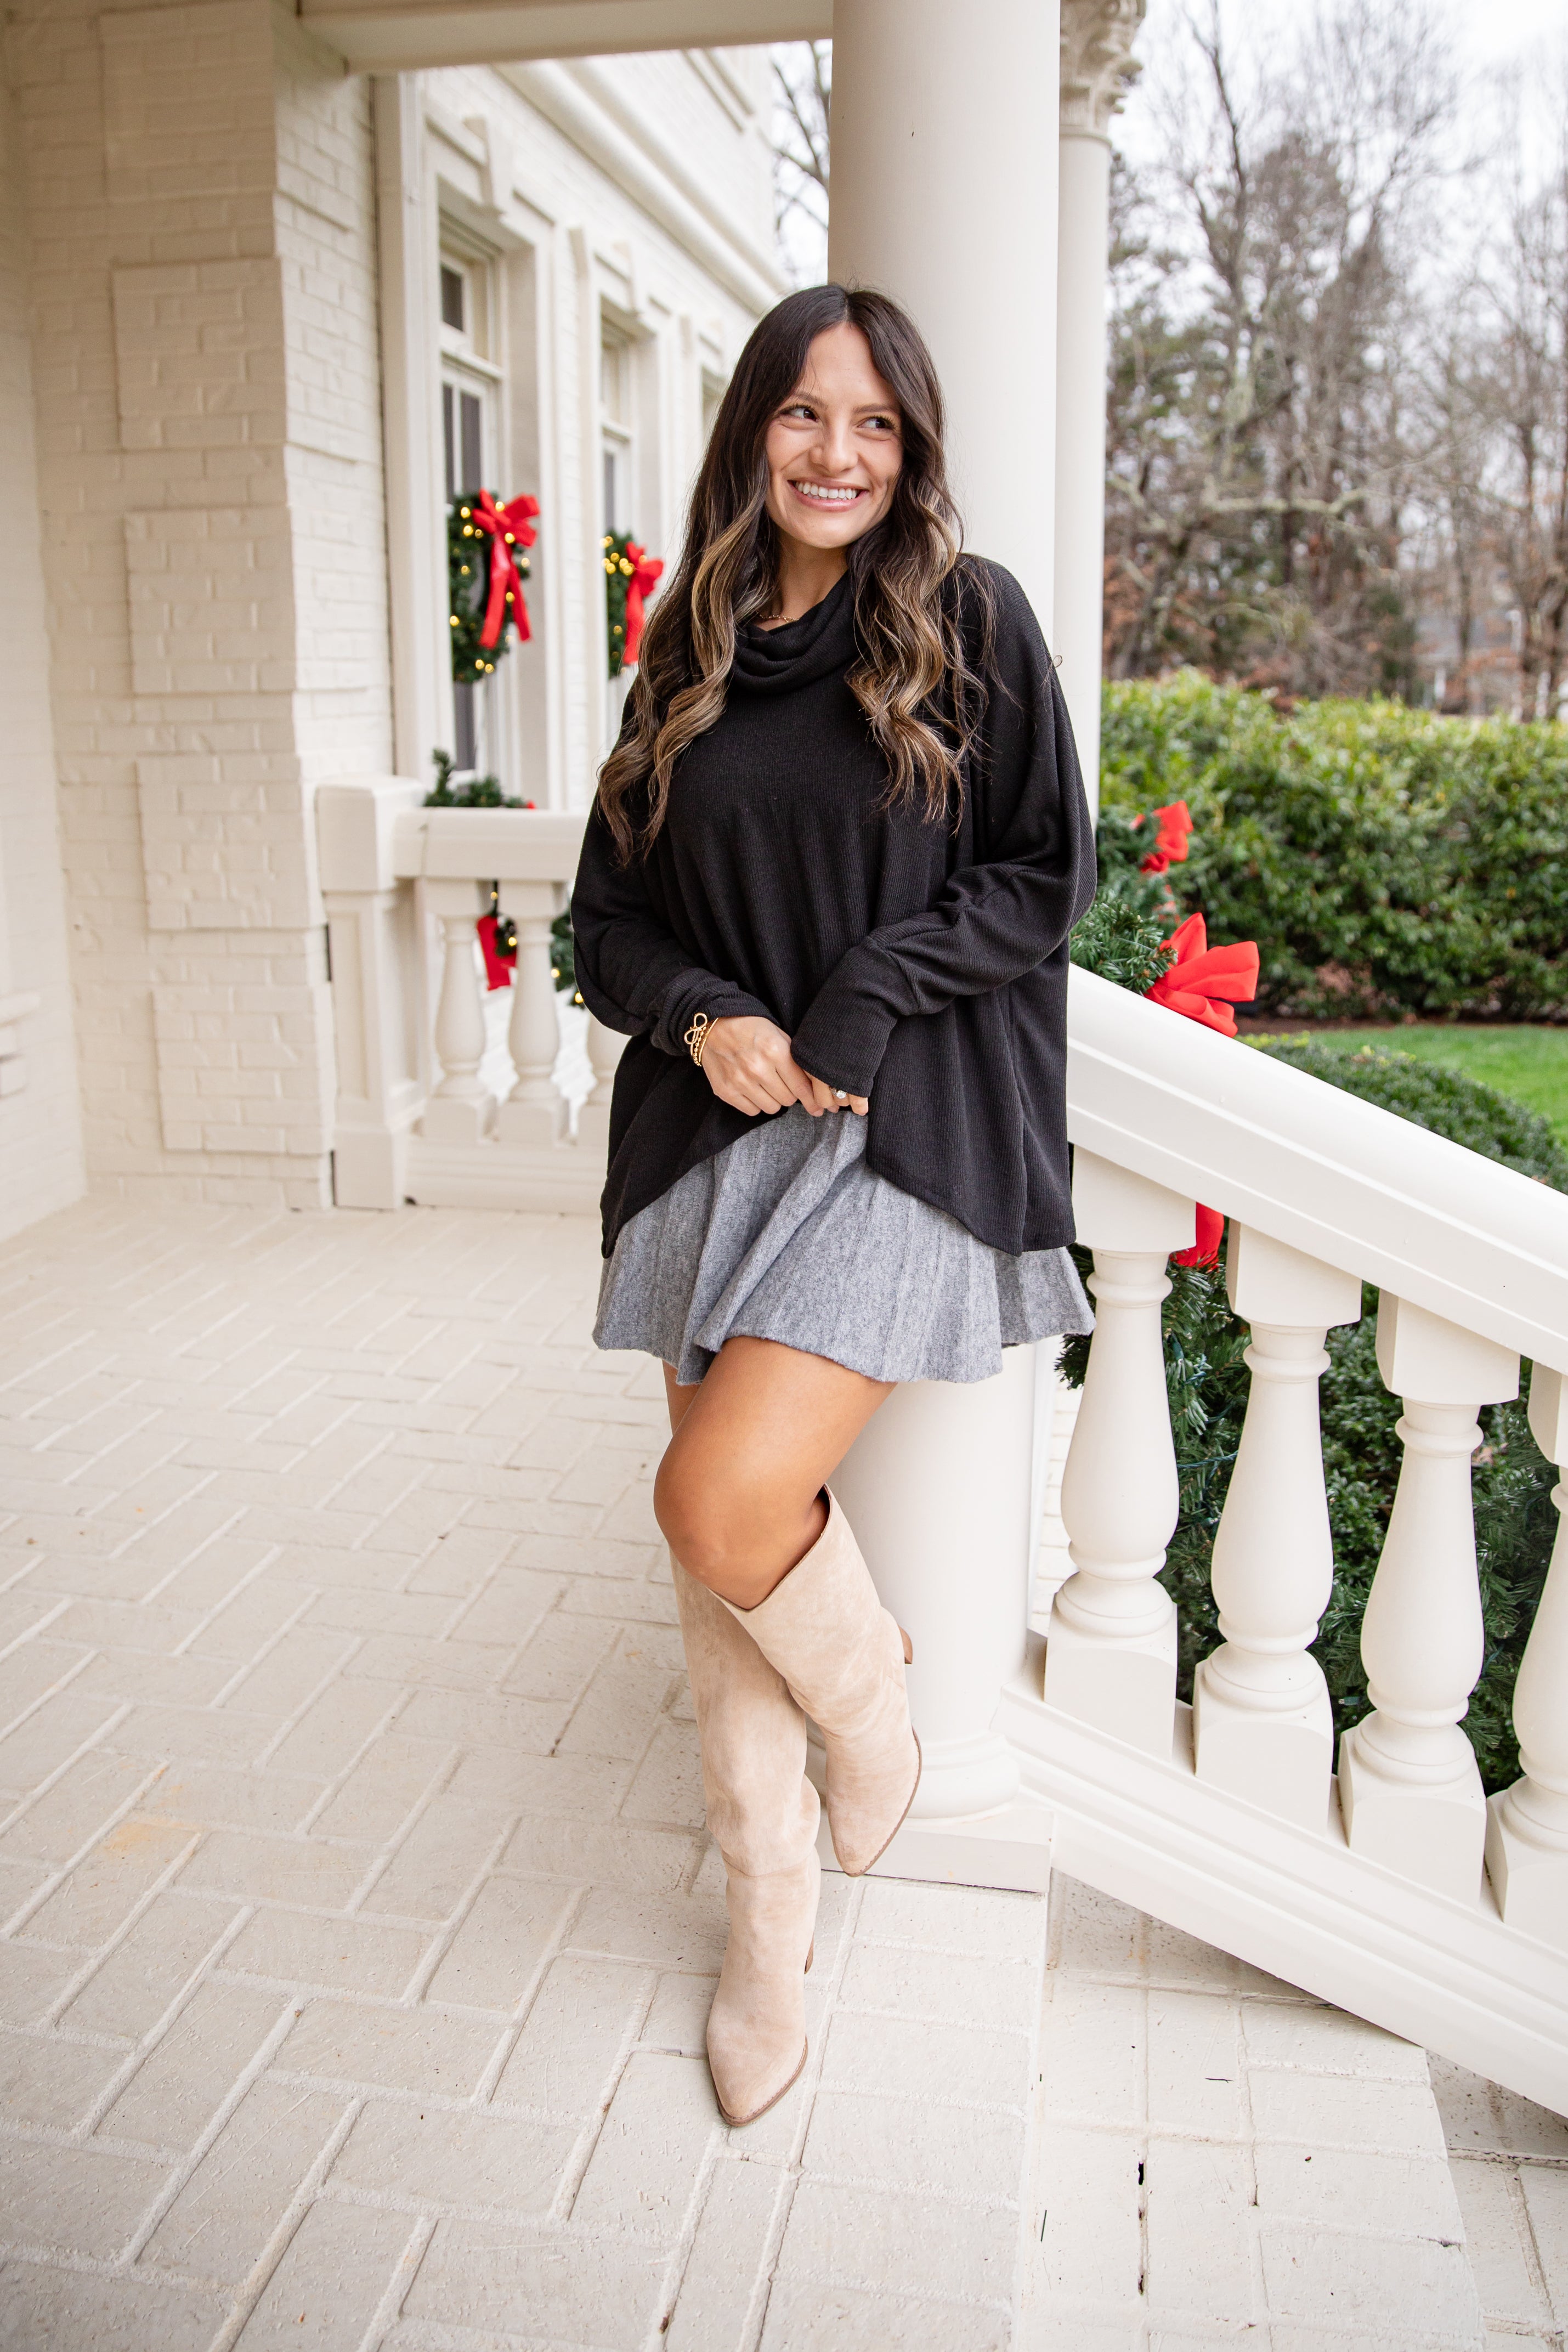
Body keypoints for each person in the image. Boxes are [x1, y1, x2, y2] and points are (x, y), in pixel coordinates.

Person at [571, 284, 1095, 2127]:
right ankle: (766, 1912)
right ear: (752, 432)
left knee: (719, 1494)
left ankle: (873, 1713)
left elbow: (1050, 864)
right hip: (710, 1142)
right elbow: (602, 922)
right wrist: (696, 1012)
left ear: (911, 447)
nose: (837, 455)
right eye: (805, 416)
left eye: (874, 425)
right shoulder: (690, 637)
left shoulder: (967, 624)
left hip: (907, 1129)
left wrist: (872, 985)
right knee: (721, 1563)